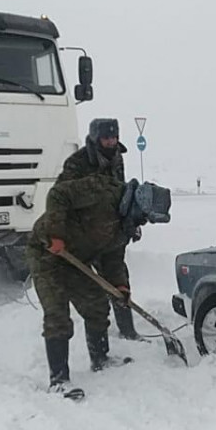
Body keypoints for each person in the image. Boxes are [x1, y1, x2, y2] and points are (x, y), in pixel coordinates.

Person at [26, 125, 133, 400]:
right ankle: (58, 379)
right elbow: (57, 195)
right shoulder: (100, 188)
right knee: (58, 316)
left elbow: (113, 258)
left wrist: (119, 286)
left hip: (77, 258)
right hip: (48, 253)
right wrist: (55, 235)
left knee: (97, 305)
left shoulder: (123, 225)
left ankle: (101, 358)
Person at [56, 118, 142, 341]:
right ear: (95, 138)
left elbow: (121, 195)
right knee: (93, 298)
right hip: (82, 236)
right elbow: (60, 197)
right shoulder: (77, 163)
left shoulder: (117, 158)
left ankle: (128, 331)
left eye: (114, 137)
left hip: (111, 233)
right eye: (106, 138)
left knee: (120, 282)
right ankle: (98, 351)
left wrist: (130, 223)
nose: (111, 142)